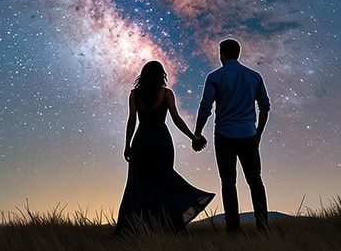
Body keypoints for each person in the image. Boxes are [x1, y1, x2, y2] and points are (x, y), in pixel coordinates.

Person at [115, 60, 215, 234]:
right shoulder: (167, 93)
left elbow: (132, 121)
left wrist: (127, 145)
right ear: (161, 75)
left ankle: (133, 227)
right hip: (162, 142)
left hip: (141, 141)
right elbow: (176, 119)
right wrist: (194, 136)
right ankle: (167, 226)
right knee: (163, 183)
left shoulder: (134, 94)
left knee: (138, 184)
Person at [193, 38, 270, 233]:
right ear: (238, 53)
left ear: (223, 54)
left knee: (228, 183)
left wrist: (198, 133)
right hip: (248, 134)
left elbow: (205, 108)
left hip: (224, 135)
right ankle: (263, 226)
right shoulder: (254, 76)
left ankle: (233, 230)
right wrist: (258, 133)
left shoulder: (215, 77)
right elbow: (265, 107)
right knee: (255, 181)